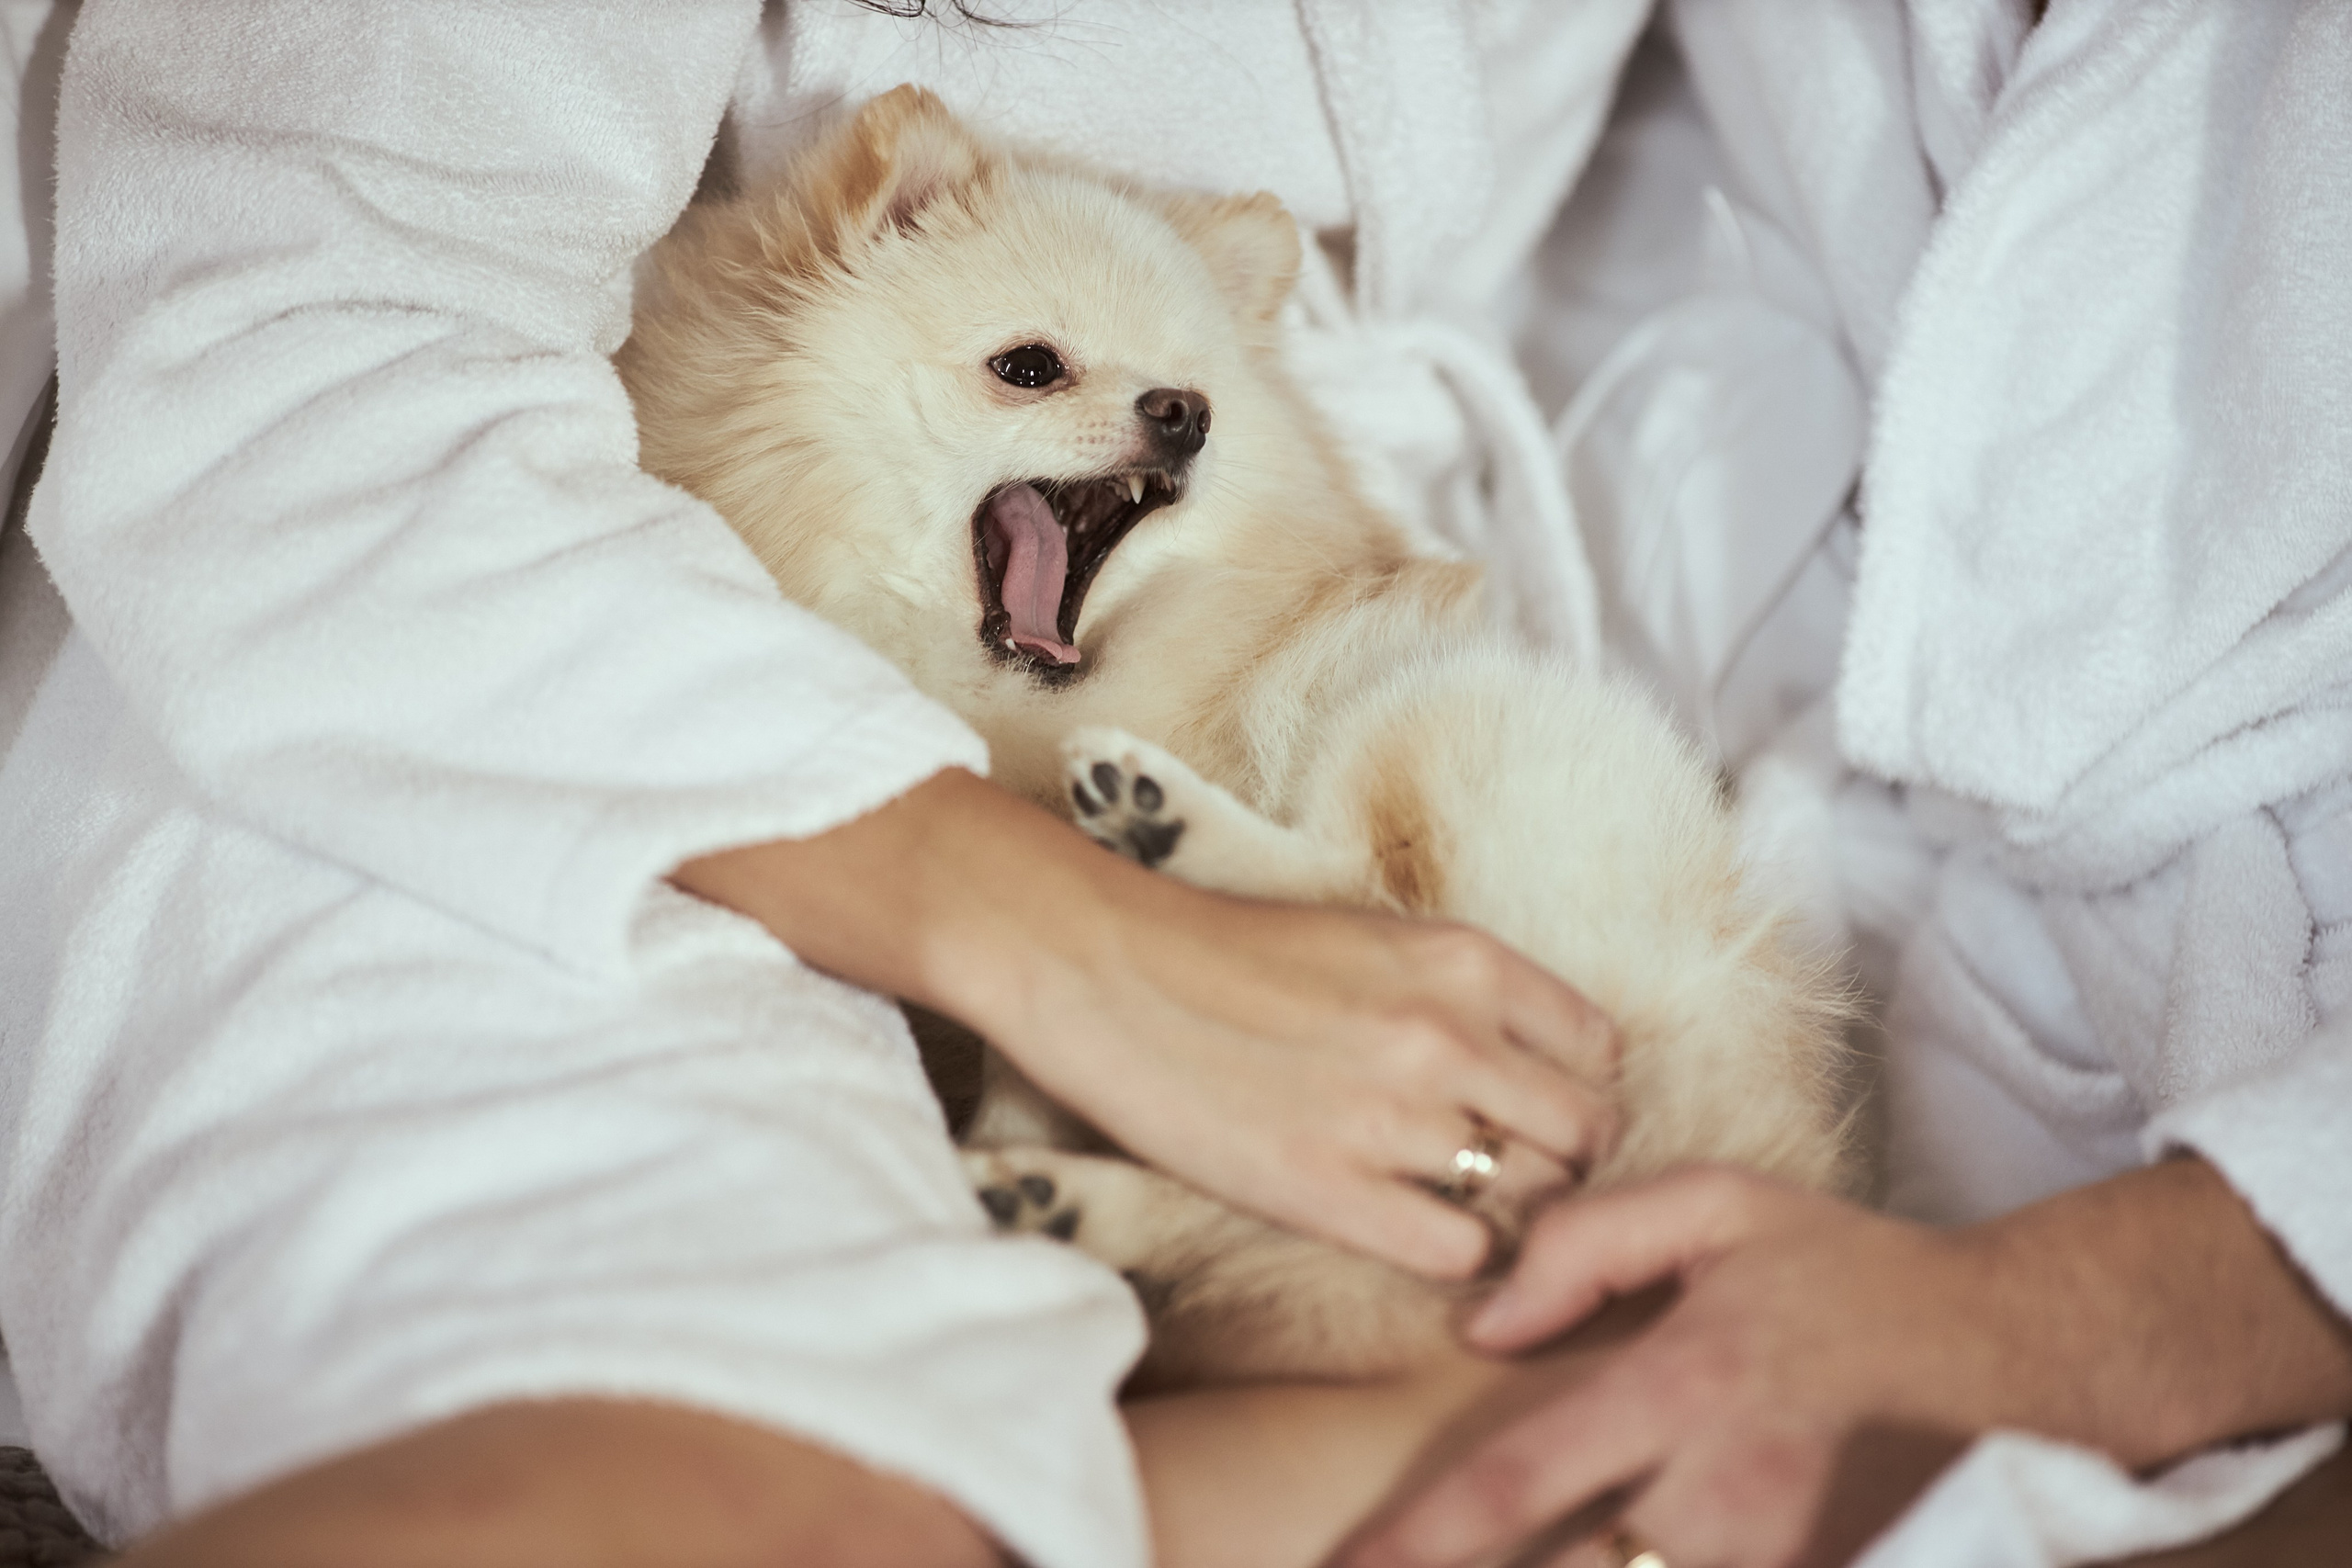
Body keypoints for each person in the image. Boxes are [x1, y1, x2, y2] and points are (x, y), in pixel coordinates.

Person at [3, 6, 2348, 1568]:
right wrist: (1070, 935)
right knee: (725, 1431)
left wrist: (2063, 1317)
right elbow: (291, 322)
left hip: (1622, 856)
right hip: (470, 614)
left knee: (1589, 1446)